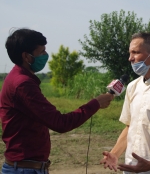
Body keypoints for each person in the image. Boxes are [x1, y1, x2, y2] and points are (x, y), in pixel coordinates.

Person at [0, 28, 114, 174]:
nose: (45, 55)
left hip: (25, 167)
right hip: (24, 170)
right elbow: (60, 123)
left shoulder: (17, 78)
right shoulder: (23, 84)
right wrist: (96, 103)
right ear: (26, 57)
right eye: (41, 52)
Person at [100, 32, 150, 174]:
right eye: (130, 53)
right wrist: (115, 153)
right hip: (130, 167)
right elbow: (130, 126)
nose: (130, 58)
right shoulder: (133, 86)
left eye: (135, 52)